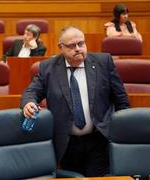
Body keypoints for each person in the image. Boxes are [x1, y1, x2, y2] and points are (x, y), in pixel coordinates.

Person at [20, 25, 130, 176]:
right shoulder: (48, 68)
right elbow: (31, 91)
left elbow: (121, 101)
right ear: (61, 47)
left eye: (81, 44)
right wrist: (29, 103)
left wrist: (120, 134)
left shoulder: (103, 62)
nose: (78, 49)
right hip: (67, 143)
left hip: (99, 139)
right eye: (72, 46)